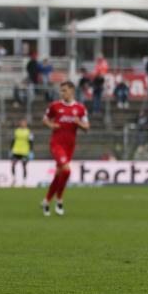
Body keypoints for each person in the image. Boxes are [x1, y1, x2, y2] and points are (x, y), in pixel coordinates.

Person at [41, 81, 89, 216]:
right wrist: (51, 126)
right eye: (61, 91)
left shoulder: (80, 108)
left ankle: (46, 201)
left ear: (72, 91)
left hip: (70, 146)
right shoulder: (55, 106)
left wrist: (78, 123)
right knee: (66, 171)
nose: (62, 93)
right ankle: (59, 199)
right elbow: (45, 119)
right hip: (56, 144)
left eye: (64, 90)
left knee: (59, 174)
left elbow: (87, 127)